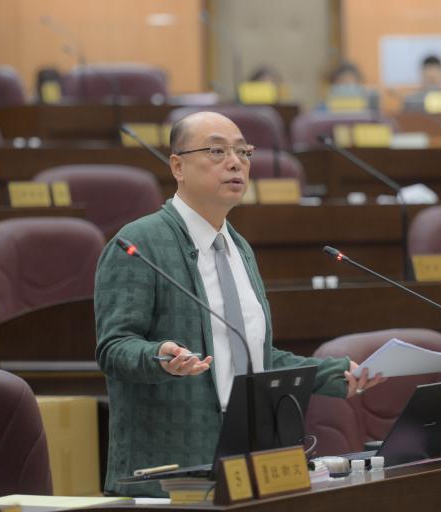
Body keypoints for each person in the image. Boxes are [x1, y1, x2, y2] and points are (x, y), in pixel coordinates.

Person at [94, 111, 384, 497]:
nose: (235, 162)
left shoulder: (239, 248)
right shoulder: (139, 243)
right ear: (178, 166)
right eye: (217, 151)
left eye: (243, 152)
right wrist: (159, 356)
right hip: (171, 471)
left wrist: (332, 374)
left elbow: (252, 358)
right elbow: (113, 348)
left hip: (249, 459)